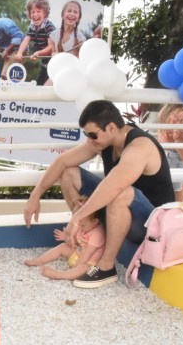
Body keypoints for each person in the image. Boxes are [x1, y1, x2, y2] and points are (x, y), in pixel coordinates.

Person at [23, 100, 175, 288]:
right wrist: (35, 196)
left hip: (151, 226)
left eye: (92, 135)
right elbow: (62, 161)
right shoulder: (104, 142)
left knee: (121, 192)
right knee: (69, 172)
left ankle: (106, 267)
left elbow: (114, 185)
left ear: (111, 127)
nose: (89, 140)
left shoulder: (140, 146)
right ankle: (85, 240)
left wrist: (78, 216)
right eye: (86, 135)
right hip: (120, 213)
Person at [23, 202, 105, 280]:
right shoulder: (85, 227)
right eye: (78, 223)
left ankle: (59, 275)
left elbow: (87, 253)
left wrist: (76, 266)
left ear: (95, 221)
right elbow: (78, 242)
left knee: (83, 268)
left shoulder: (97, 234)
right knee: (63, 246)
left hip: (89, 261)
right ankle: (39, 260)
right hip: (78, 254)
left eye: (82, 225)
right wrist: (67, 238)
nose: (80, 226)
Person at [156, 103, 183, 203]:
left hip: (166, 155)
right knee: (177, 203)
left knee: (171, 200)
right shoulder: (181, 116)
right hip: (176, 158)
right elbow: (181, 146)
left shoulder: (166, 111)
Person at [10, 0, 56, 85]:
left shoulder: (49, 26)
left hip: (53, 62)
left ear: (45, 13)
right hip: (44, 63)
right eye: (32, 12)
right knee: (39, 85)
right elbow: (25, 41)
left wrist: (38, 53)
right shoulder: (32, 28)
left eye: (38, 11)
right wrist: (19, 53)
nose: (35, 15)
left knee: (47, 87)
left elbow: (51, 48)